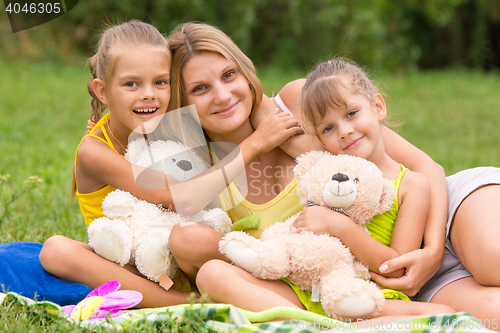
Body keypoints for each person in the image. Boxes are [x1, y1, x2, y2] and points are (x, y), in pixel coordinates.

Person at [39, 20, 301, 308]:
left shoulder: (173, 124)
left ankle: (222, 291)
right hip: (133, 264)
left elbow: (236, 100)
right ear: (102, 91)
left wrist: (264, 109)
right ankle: (186, 302)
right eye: (131, 84)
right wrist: (256, 143)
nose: (148, 94)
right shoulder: (94, 150)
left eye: (160, 82)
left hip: (185, 256)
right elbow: (177, 197)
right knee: (55, 251)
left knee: (190, 238)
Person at [193, 58, 455, 320]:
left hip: (368, 298)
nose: (344, 131)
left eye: (352, 114)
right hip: (306, 293)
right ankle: (313, 324)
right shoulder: (322, 174)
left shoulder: (411, 185)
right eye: (328, 128)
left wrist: (340, 226)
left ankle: (316, 325)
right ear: (318, 138)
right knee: (211, 273)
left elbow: (395, 269)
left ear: (377, 107)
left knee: (444, 316)